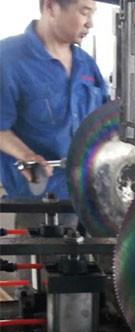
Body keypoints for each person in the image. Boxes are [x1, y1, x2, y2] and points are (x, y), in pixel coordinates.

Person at [0, 0, 108, 201]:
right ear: (51, 7)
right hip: (39, 200)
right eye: (84, 12)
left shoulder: (86, 63)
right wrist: (27, 156)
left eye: (92, 13)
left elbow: (105, 120)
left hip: (91, 196)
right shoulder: (7, 59)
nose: (90, 23)